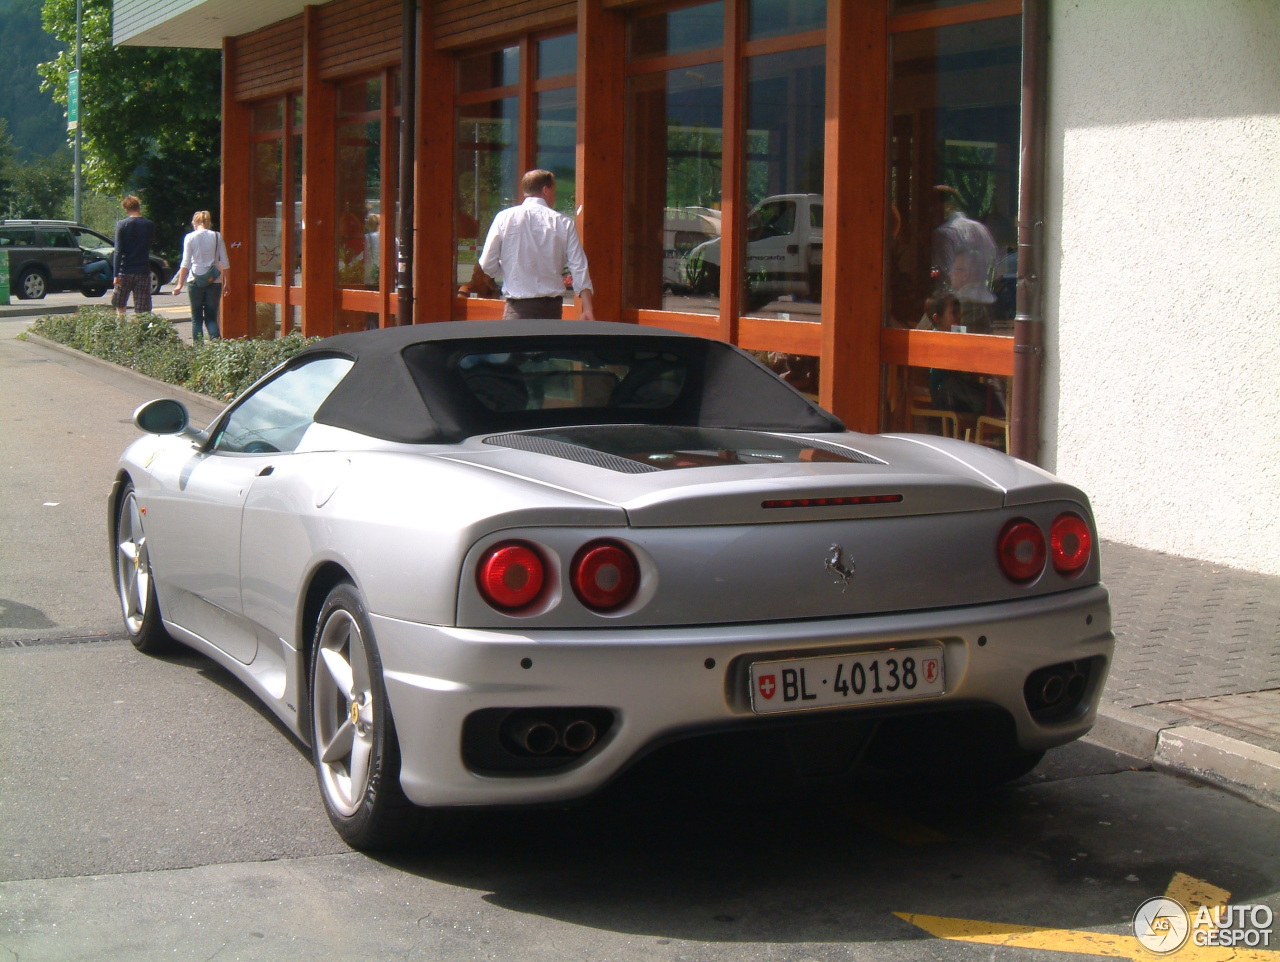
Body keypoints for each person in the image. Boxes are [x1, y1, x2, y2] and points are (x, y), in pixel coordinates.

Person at [478, 169, 595, 320]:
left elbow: (487, 263)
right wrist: (587, 307)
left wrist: (508, 269)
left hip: (518, 308)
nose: (555, 196)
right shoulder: (564, 223)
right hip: (551, 310)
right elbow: (578, 267)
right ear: (545, 190)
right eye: (554, 191)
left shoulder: (504, 218)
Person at [171, 211, 230, 342]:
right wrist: (227, 283)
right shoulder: (217, 236)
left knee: (196, 318)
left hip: (195, 280)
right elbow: (225, 262)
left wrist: (179, 284)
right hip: (215, 281)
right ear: (208, 222)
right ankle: (216, 344)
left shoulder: (190, 237)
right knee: (211, 316)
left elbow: (185, 263)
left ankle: (198, 349)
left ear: (195, 222)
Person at [112, 195, 156, 316]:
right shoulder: (149, 225)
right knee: (142, 308)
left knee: (119, 303)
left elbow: (118, 251)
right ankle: (140, 331)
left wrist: (115, 275)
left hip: (125, 270)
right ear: (138, 207)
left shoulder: (122, 224)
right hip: (143, 270)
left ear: (126, 208)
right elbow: (149, 244)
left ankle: (121, 327)